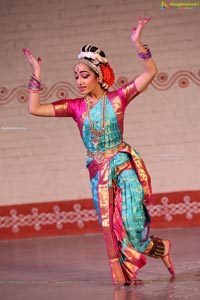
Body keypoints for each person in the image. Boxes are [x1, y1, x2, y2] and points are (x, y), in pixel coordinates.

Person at [23, 16, 175, 285]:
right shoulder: (74, 107)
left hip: (123, 165)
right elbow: (34, 109)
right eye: (76, 77)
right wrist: (36, 74)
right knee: (110, 225)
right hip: (98, 170)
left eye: (84, 75)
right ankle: (156, 250)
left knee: (133, 226)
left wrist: (138, 43)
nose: (79, 81)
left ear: (99, 75)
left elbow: (150, 73)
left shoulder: (118, 99)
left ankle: (148, 248)